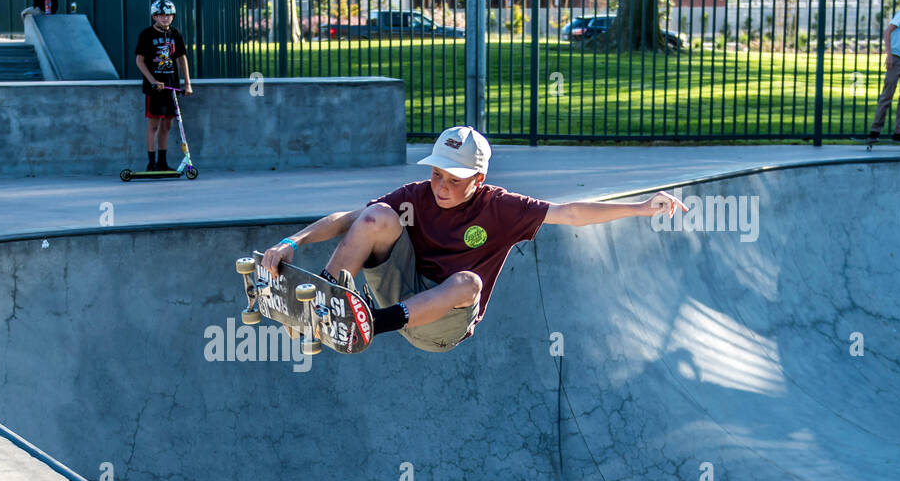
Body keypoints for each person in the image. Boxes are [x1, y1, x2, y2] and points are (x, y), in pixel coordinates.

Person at [260, 126, 686, 352]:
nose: (440, 187)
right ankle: (321, 303)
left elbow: (571, 213)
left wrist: (642, 207)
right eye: (436, 174)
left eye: (454, 179)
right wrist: (292, 243)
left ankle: (370, 323)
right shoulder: (417, 196)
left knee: (469, 282)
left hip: (442, 325)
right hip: (402, 290)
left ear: (479, 180)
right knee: (376, 216)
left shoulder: (501, 208)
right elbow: (347, 220)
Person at [134, 0, 193, 172]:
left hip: (171, 86)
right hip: (155, 87)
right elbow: (139, 61)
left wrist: (187, 83)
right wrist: (152, 81)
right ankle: (151, 163)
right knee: (153, 125)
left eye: (168, 15)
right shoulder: (146, 35)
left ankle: (162, 162)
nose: (165, 18)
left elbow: (182, 59)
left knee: (167, 125)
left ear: (173, 16)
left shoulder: (175, 34)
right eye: (161, 15)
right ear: (154, 16)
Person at [868, 3, 900, 142]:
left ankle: (899, 132)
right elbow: (887, 31)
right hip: (896, 58)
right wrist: (889, 55)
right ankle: (875, 131)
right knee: (887, 95)